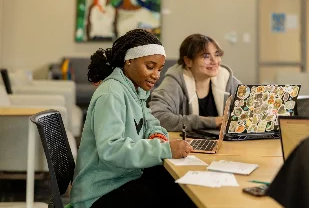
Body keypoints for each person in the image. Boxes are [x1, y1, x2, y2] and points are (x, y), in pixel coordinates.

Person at [70, 29, 195, 208]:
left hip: (123, 178)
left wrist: (156, 136)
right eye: (150, 67)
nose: (156, 75)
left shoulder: (135, 90)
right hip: (99, 194)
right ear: (129, 61)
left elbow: (150, 121)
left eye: (159, 69)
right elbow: (111, 150)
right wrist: (164, 150)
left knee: (179, 186)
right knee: (180, 195)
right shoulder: (112, 94)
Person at [149, 34, 241, 132]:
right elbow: (156, 117)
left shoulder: (226, 79)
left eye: (217, 54)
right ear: (188, 61)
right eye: (206, 56)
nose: (214, 61)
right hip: (188, 144)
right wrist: (211, 122)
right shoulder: (175, 81)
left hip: (225, 144)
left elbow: (251, 110)